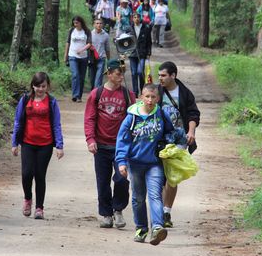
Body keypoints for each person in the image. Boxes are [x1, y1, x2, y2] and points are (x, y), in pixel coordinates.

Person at [116, 83, 173, 245]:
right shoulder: (131, 117)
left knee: (155, 195)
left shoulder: (161, 114)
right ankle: (141, 229)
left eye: (153, 97)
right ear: (141, 97)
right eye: (147, 96)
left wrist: (171, 143)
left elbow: (170, 132)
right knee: (138, 198)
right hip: (135, 164)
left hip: (154, 163)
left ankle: (157, 228)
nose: (150, 100)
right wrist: (121, 162)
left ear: (158, 98)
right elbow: (122, 140)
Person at [84, 59, 136, 229]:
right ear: (109, 73)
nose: (121, 76)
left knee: (122, 179)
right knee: (103, 181)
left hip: (121, 147)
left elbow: (135, 119)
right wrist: (90, 139)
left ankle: (118, 210)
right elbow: (90, 118)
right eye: (118, 73)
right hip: (101, 145)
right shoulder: (96, 94)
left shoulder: (128, 95)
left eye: (122, 73)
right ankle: (106, 214)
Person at [11, 72, 64, 219]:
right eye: (38, 86)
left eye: (43, 86)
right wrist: (14, 142)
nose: (40, 89)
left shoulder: (52, 102)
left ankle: (39, 208)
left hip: (45, 143)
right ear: (33, 86)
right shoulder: (25, 100)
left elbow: (56, 124)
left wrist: (59, 145)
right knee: (27, 173)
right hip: (28, 142)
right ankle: (28, 198)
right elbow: (18, 121)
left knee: (40, 175)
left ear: (47, 86)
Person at [157, 61, 200, 228]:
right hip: (160, 140)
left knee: (172, 177)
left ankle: (166, 211)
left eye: (163, 75)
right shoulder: (157, 92)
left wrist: (191, 132)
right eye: (159, 75)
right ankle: (159, 211)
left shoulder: (185, 93)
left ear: (173, 75)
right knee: (159, 177)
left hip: (179, 140)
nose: (160, 78)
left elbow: (193, 114)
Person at [64, 16, 92, 102]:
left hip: (83, 57)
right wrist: (65, 55)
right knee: (75, 74)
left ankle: (79, 96)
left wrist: (82, 49)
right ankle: (75, 95)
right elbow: (68, 43)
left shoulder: (87, 31)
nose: (75, 24)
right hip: (72, 55)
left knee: (81, 77)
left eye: (77, 23)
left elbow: (89, 43)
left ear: (81, 22)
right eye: (74, 23)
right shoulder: (71, 31)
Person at [129, 13, 152, 96]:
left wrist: (149, 53)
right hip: (132, 54)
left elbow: (149, 42)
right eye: (134, 17)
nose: (136, 19)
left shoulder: (145, 28)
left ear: (140, 18)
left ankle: (142, 89)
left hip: (142, 54)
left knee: (140, 72)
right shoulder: (129, 28)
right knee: (133, 73)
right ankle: (135, 92)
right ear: (132, 18)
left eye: (138, 17)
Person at [90, 18, 111, 89]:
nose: (99, 25)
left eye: (100, 23)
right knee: (91, 77)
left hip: (101, 58)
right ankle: (93, 90)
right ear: (94, 25)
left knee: (99, 76)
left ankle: (97, 92)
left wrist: (109, 60)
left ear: (103, 25)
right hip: (92, 58)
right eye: (97, 23)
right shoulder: (90, 34)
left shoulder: (106, 35)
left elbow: (107, 49)